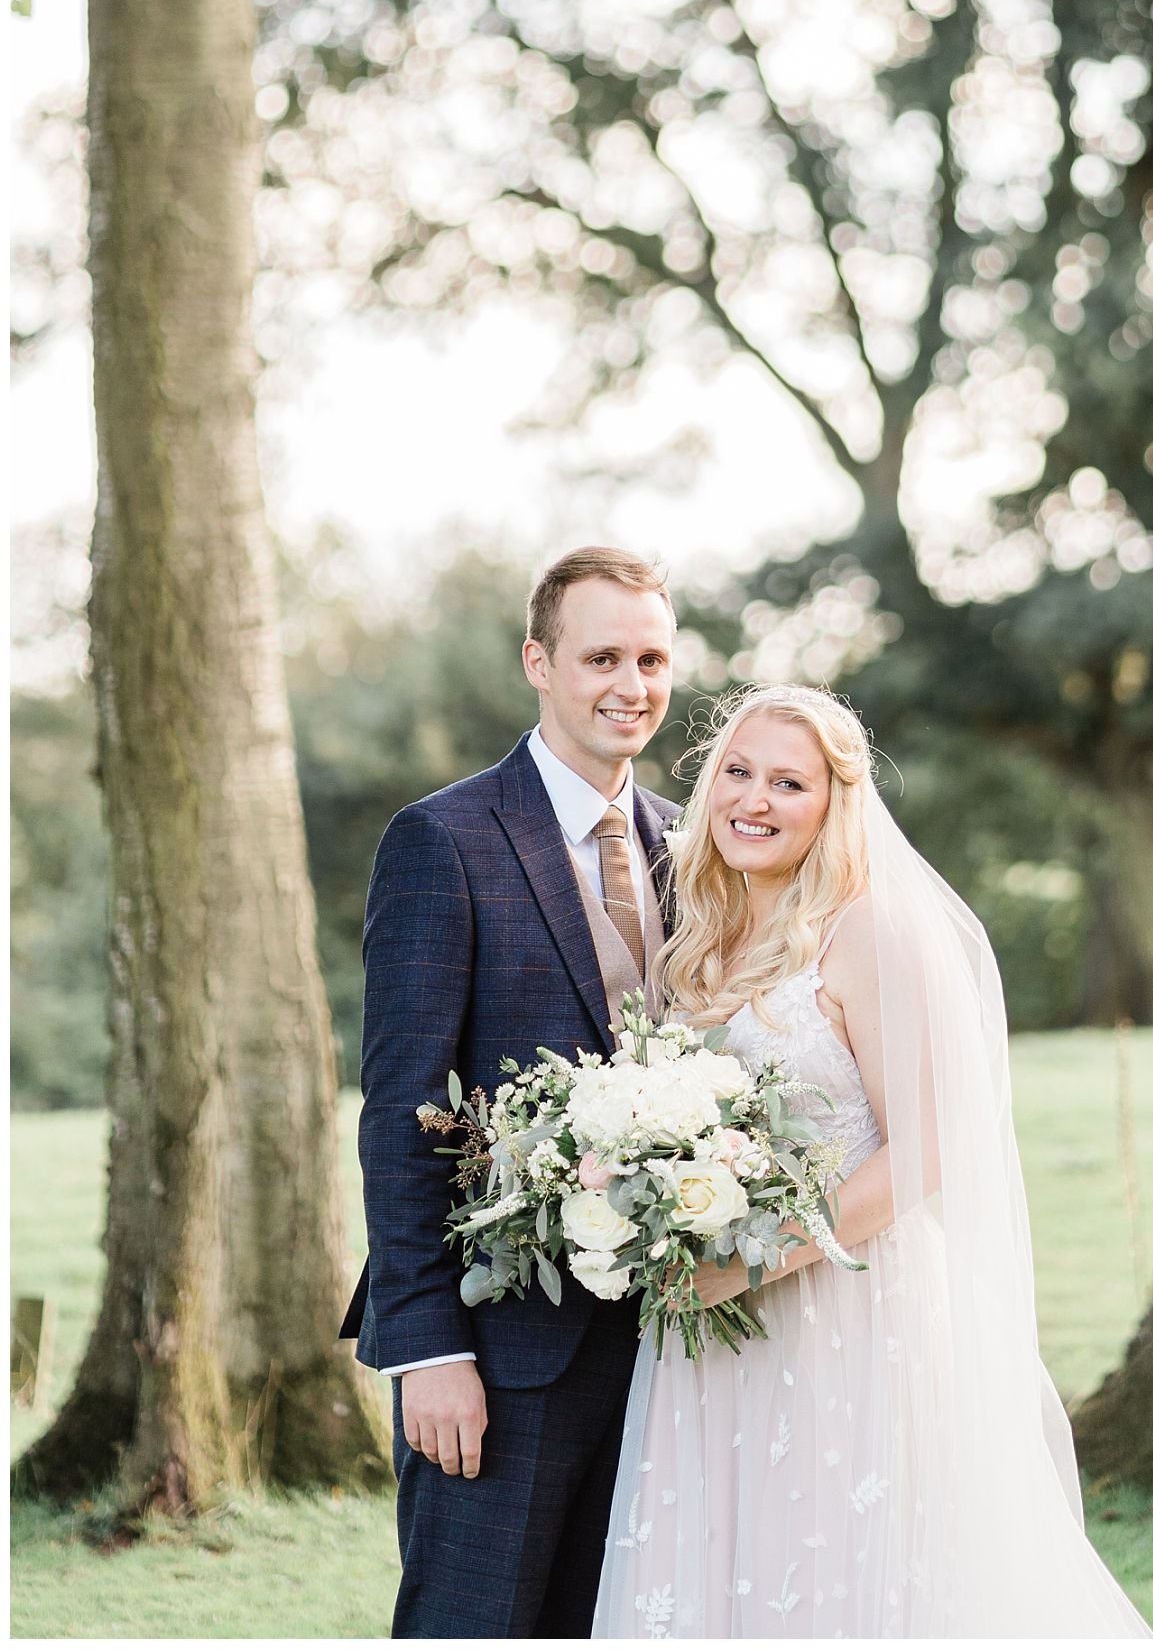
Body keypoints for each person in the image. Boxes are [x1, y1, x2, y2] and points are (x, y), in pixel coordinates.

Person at [592, 684, 1153, 1639]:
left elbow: (931, 1147)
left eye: (787, 782)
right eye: (736, 772)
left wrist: (758, 1258)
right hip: (711, 1328)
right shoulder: (695, 947)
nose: (752, 800)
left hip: (853, 1310)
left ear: (833, 805)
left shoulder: (871, 933)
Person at [340, 546, 679, 1639]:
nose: (631, 683)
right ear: (539, 661)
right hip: (501, 1353)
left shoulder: (692, 843)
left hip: (672, 1348)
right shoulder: (444, 839)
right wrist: (427, 1348)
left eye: (653, 657)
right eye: (602, 656)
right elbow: (403, 1113)